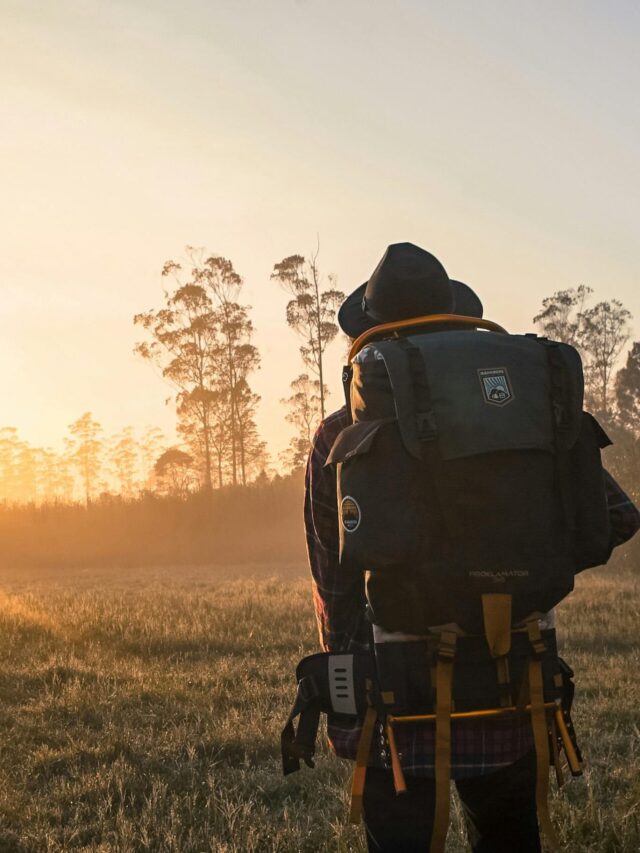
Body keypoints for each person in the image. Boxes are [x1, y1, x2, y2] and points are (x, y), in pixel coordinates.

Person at [304, 242, 640, 852]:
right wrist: (519, 566)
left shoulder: (339, 435)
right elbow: (615, 518)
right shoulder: (528, 415)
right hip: (514, 678)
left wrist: (350, 693)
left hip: (394, 696)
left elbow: (334, 579)